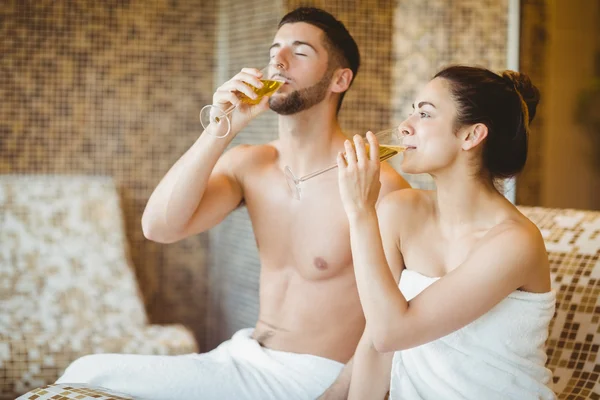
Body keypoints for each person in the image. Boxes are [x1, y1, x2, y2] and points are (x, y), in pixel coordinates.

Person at [56, 7, 410, 400]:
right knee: (85, 370)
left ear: (339, 79)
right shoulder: (251, 164)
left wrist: (345, 389)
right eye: (275, 49)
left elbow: (392, 319)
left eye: (301, 51)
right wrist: (222, 127)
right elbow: (159, 227)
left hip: (313, 376)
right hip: (244, 356)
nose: (278, 60)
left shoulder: (375, 181)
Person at [334, 66, 556, 399]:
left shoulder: (515, 242)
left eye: (424, 114)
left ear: (471, 136)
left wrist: (359, 211)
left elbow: (391, 333)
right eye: (412, 112)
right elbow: (375, 347)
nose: (405, 127)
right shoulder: (400, 211)